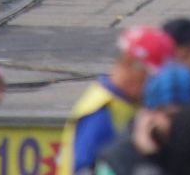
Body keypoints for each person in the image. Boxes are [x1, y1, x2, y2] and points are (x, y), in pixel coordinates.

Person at [64, 26, 175, 175]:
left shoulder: (125, 102)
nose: (155, 84)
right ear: (130, 63)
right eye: (150, 76)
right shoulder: (101, 114)